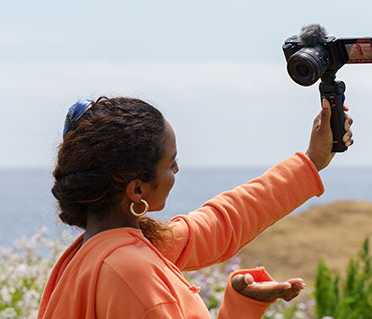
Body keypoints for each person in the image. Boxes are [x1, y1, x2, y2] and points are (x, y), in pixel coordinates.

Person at [37, 96, 353, 319]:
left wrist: (313, 160)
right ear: (137, 189)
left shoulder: (89, 256)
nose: (176, 171)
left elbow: (223, 222)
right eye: (170, 163)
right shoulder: (134, 274)